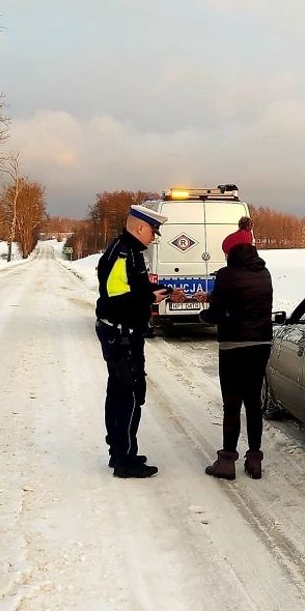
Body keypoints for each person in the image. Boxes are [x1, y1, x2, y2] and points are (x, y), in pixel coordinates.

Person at [96, 204, 172, 478]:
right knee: (127, 395)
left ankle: (123, 451)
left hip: (126, 334)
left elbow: (134, 288)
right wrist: (150, 298)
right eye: (153, 231)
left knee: (121, 394)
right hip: (121, 336)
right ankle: (123, 460)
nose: (155, 237)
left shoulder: (132, 253)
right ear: (140, 228)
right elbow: (117, 299)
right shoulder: (122, 254)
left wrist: (159, 290)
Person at [197, 240, 273, 480]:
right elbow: (246, 300)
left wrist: (203, 314)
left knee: (231, 404)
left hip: (233, 346)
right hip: (261, 344)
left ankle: (227, 460)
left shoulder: (226, 275)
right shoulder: (265, 273)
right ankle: (254, 460)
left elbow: (217, 313)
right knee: (253, 403)